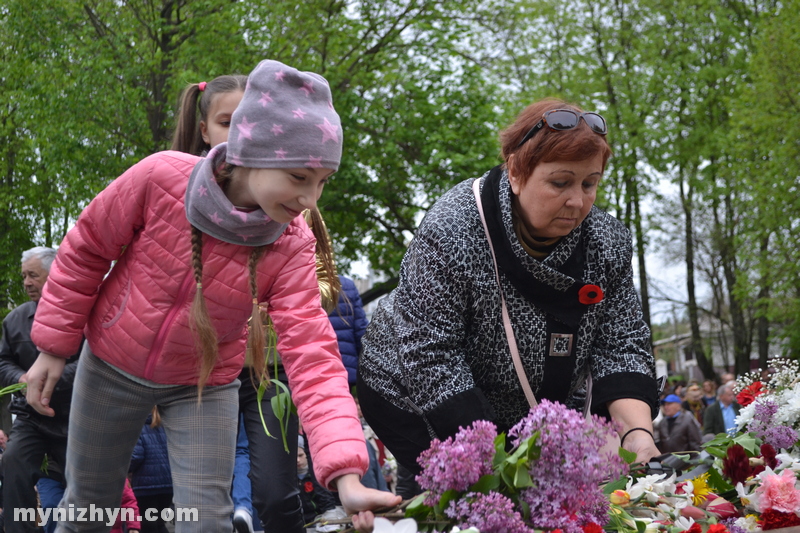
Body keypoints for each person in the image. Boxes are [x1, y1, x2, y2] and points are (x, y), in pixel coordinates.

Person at [24, 59, 400, 533]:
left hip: (203, 384)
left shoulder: (291, 242)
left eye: (322, 182)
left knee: (207, 522)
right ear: (250, 151)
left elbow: (312, 352)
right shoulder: (160, 178)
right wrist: (53, 349)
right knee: (90, 510)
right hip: (111, 368)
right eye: (300, 178)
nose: (311, 200)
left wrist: (346, 473)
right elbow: (86, 249)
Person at [356, 99, 660, 517]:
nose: (576, 201)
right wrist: (505, 466)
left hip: (525, 406)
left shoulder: (608, 241)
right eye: (560, 183)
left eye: (589, 184)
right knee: (469, 507)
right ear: (516, 172)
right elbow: (431, 357)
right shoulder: (454, 228)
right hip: (412, 393)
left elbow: (622, 344)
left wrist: (637, 435)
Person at [171, 73, 341, 533]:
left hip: (270, 372)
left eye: (247, 119)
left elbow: (323, 289)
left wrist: (266, 299)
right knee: (205, 495)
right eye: (227, 120)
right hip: (198, 375)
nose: (239, 130)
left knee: (275, 492)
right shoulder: (174, 192)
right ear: (205, 129)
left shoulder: (295, 206)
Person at [0, 247, 81, 533]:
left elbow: (93, 362)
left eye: (32, 275)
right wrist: (22, 378)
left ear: (55, 273)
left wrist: (49, 381)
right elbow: (3, 361)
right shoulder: (14, 320)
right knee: (13, 462)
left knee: (85, 483)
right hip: (30, 417)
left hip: (75, 417)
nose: (25, 282)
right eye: (24, 276)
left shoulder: (81, 315)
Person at [129, 408, 173, 533]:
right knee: (159, 523)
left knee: (147, 524)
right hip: (167, 483)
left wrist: (124, 469)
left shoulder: (137, 427)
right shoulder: (165, 425)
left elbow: (136, 456)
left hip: (145, 485)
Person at [329, 275, 368, 385]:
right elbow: (361, 331)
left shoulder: (299, 284)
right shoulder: (346, 285)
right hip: (345, 367)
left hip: (313, 368)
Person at [297, 435, 337, 526]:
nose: (298, 460)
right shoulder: (290, 479)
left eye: (300, 455)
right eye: (294, 457)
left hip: (321, 520)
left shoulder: (317, 475)